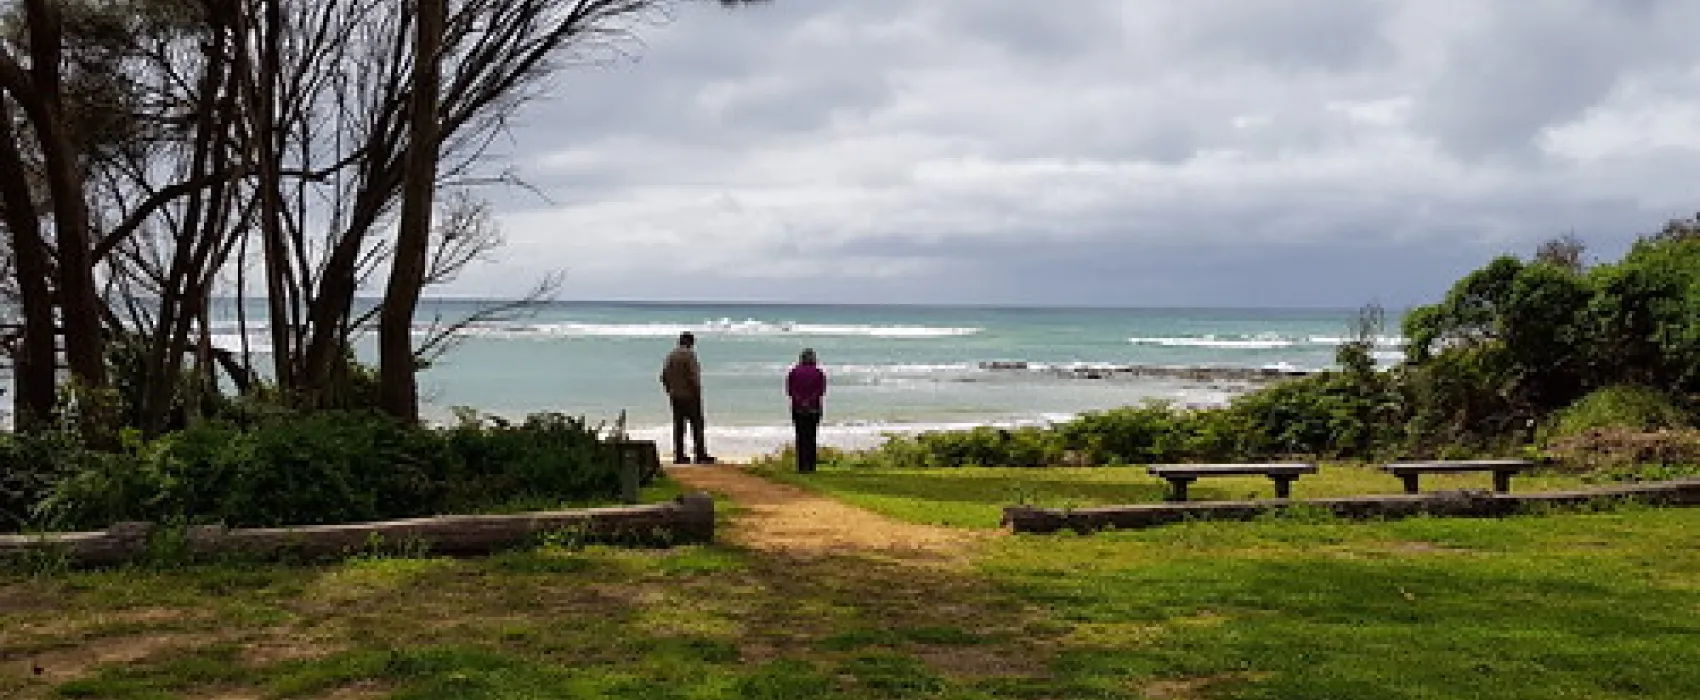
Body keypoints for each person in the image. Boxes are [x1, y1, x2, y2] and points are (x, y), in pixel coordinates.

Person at [660, 332, 714, 464]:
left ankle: (679, 455)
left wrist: (670, 390)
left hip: (675, 396)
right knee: (697, 424)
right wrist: (697, 393)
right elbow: (693, 377)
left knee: (679, 426)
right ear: (690, 342)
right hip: (690, 396)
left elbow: (663, 376)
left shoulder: (671, 355)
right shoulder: (690, 355)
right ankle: (700, 454)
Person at [786, 347, 827, 473]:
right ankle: (811, 466)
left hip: (797, 408)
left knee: (800, 436)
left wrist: (801, 401)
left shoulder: (793, 372)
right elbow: (821, 391)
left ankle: (801, 466)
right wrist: (809, 401)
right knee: (812, 437)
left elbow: (790, 390)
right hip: (814, 408)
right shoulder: (819, 373)